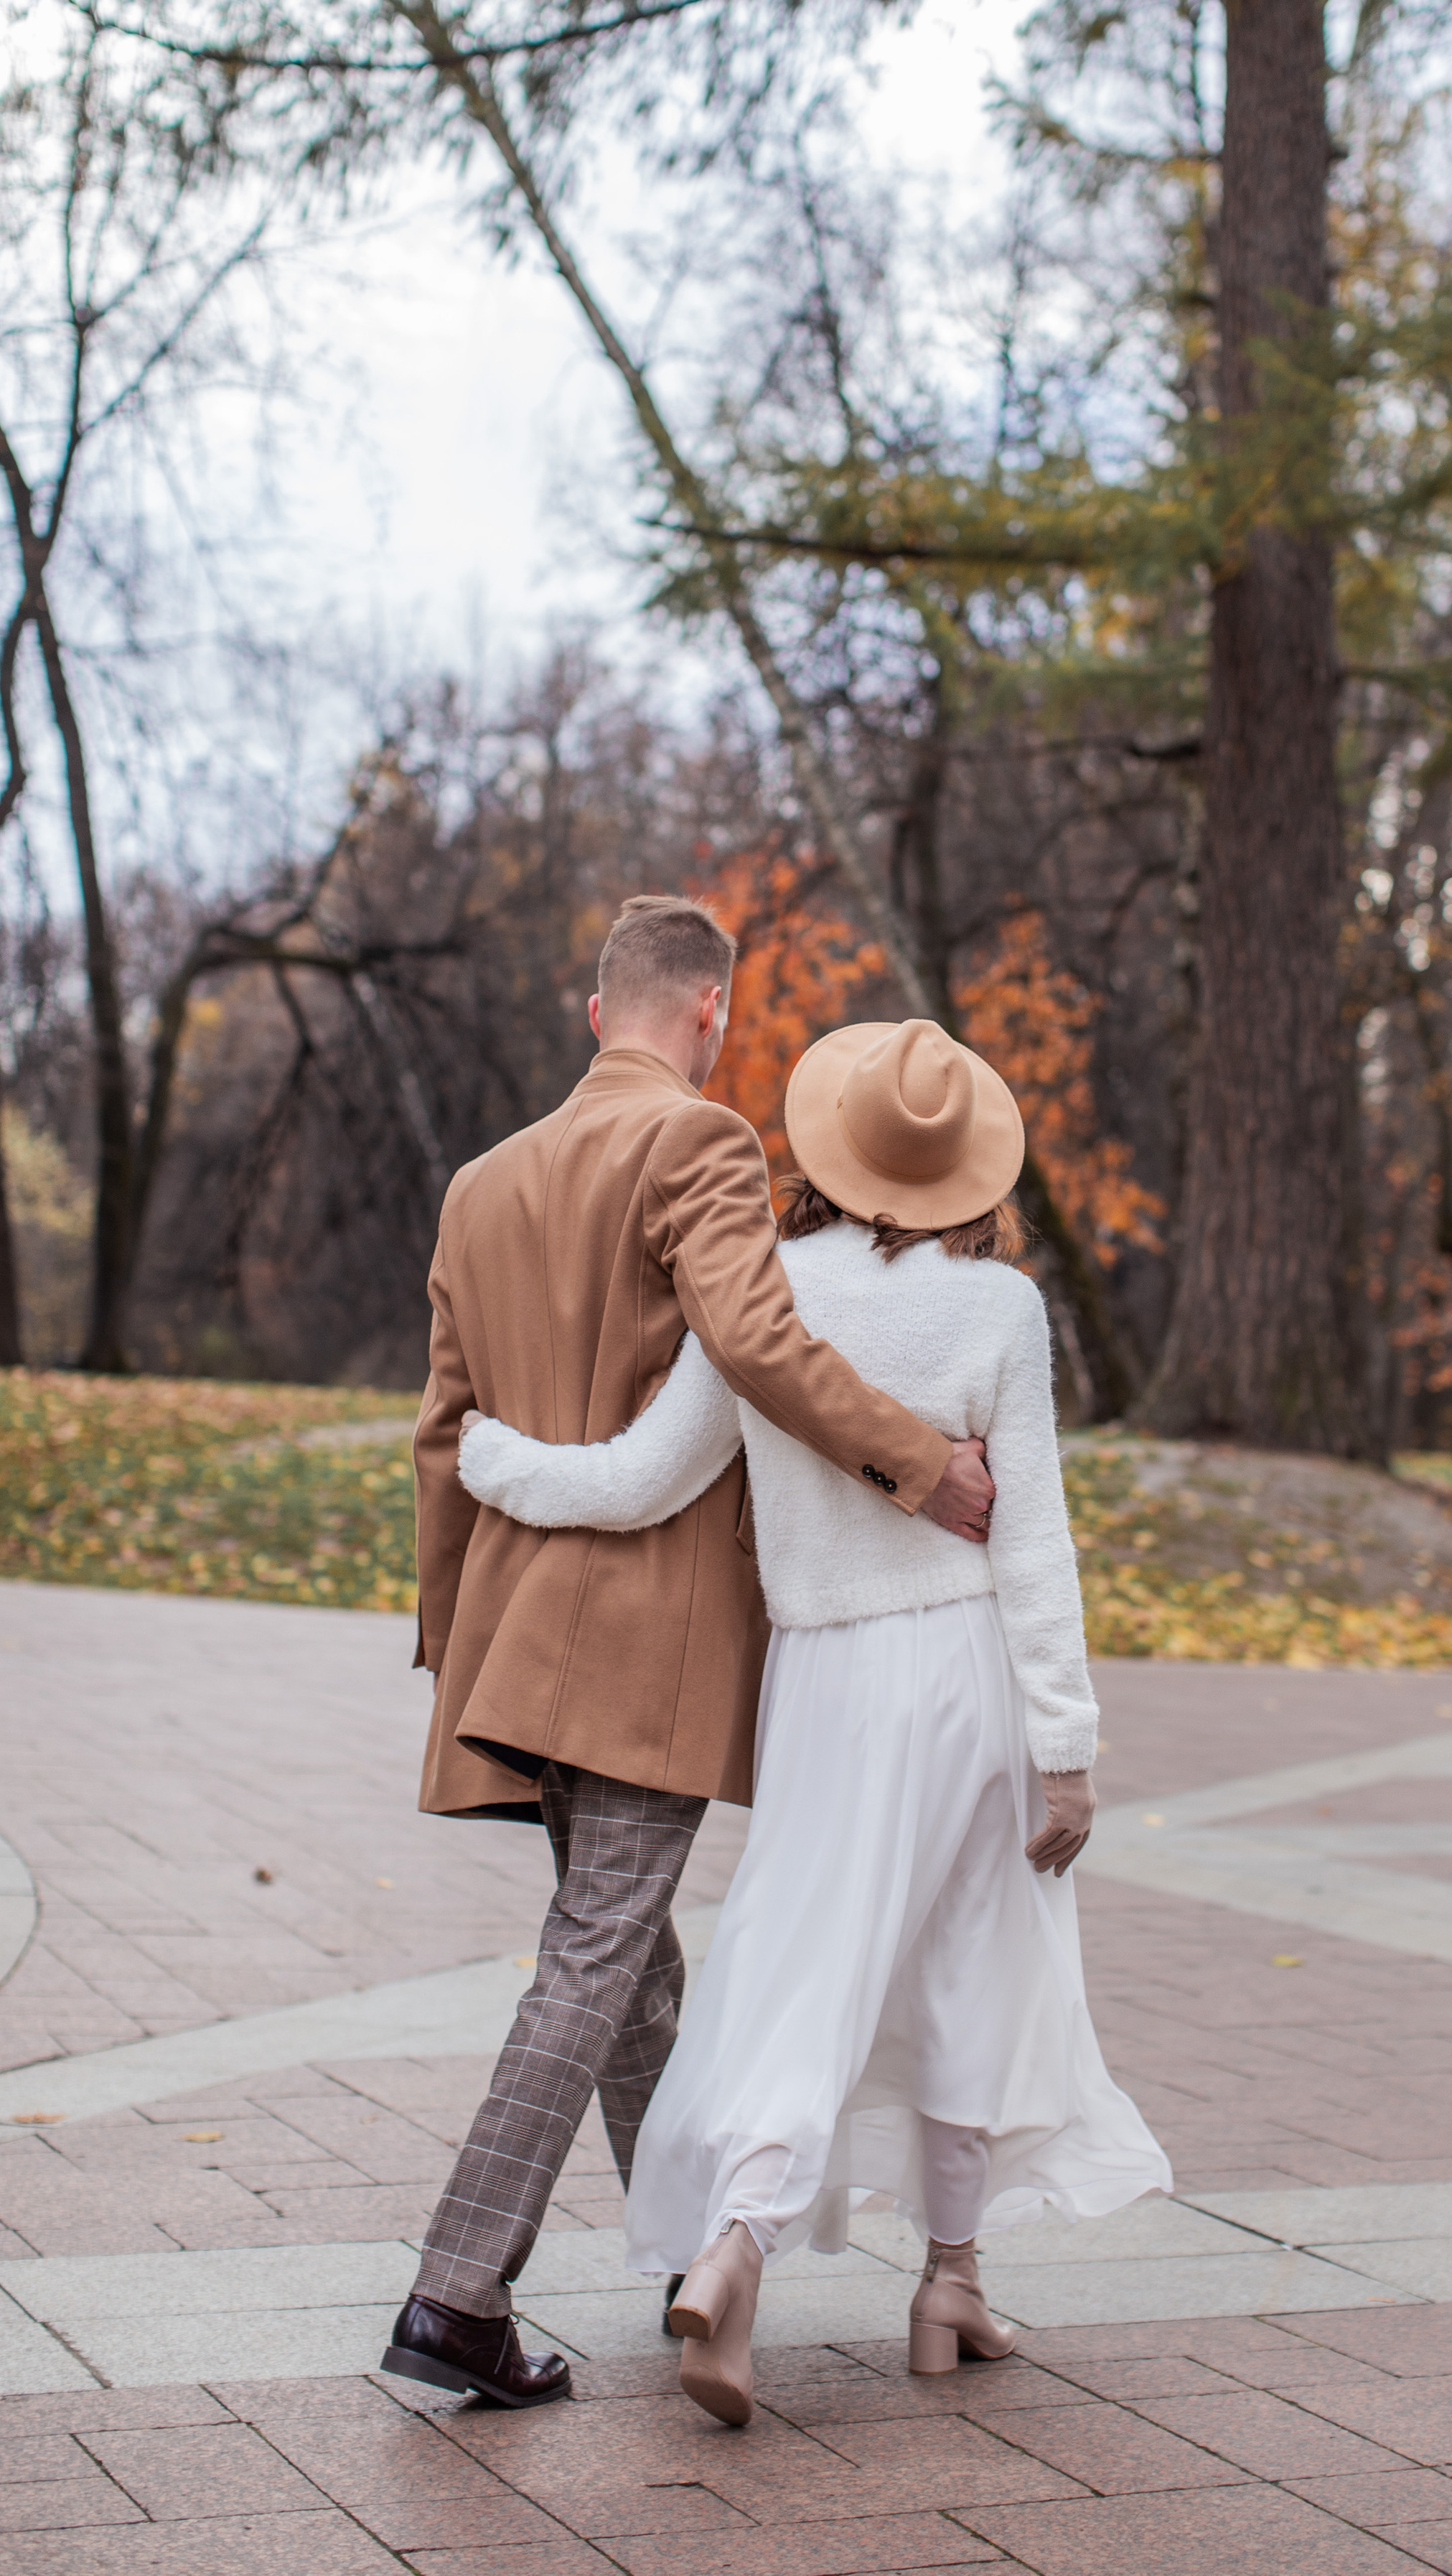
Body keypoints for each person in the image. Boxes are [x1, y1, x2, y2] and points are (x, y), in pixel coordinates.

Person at [459, 1014, 1171, 2428]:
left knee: (807, 1962)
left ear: (832, 1156)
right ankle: (944, 2286)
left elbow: (640, 1479)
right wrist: (1068, 1751)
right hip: (962, 1672)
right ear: (966, 1168)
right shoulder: (997, 1311)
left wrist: (494, 1458)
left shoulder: (765, 1294)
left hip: (822, 1682)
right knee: (978, 1955)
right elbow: (1032, 1551)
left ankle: (737, 2248)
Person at [381, 900, 996, 2410]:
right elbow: (758, 1345)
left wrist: (453, 1651)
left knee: (631, 1968)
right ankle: (455, 2294)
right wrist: (925, 1466)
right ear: (710, 1011)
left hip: (519, 1634)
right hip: (640, 1645)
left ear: (599, 1015)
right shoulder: (703, 1146)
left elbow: (441, 1438)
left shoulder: (479, 1185)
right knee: (598, 1960)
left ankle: (685, 2271)